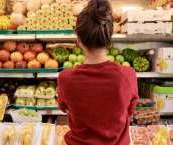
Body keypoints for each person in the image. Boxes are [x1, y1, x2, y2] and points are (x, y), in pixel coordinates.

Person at [57, 0, 139, 145]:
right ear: (109, 35)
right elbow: (130, 110)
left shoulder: (65, 78)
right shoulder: (128, 75)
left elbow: (63, 107)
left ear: (78, 37)